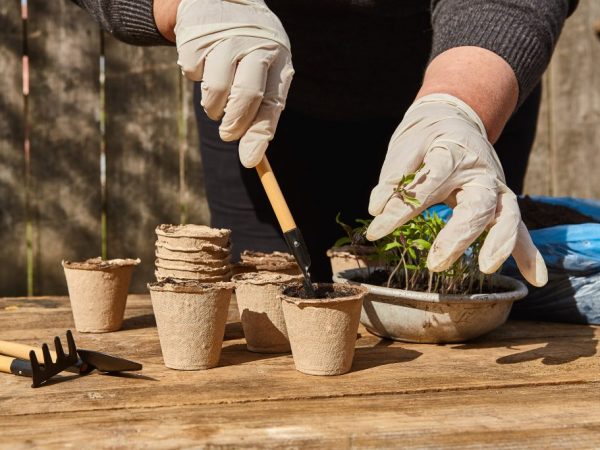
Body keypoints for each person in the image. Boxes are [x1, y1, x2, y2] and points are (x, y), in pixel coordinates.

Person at [71, 0, 578, 285]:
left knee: (453, 299)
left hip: (457, 89)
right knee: (267, 317)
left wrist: (462, 104)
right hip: (258, 88)